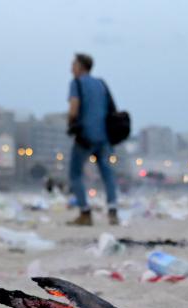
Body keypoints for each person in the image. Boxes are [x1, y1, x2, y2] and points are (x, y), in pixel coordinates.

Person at [67, 53, 118, 226]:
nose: (71, 68)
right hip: (104, 137)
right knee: (107, 174)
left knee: (75, 173)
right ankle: (112, 211)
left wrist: (71, 123)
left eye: (73, 64)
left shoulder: (77, 83)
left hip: (85, 136)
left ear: (81, 66)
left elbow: (74, 109)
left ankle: (85, 213)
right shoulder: (101, 84)